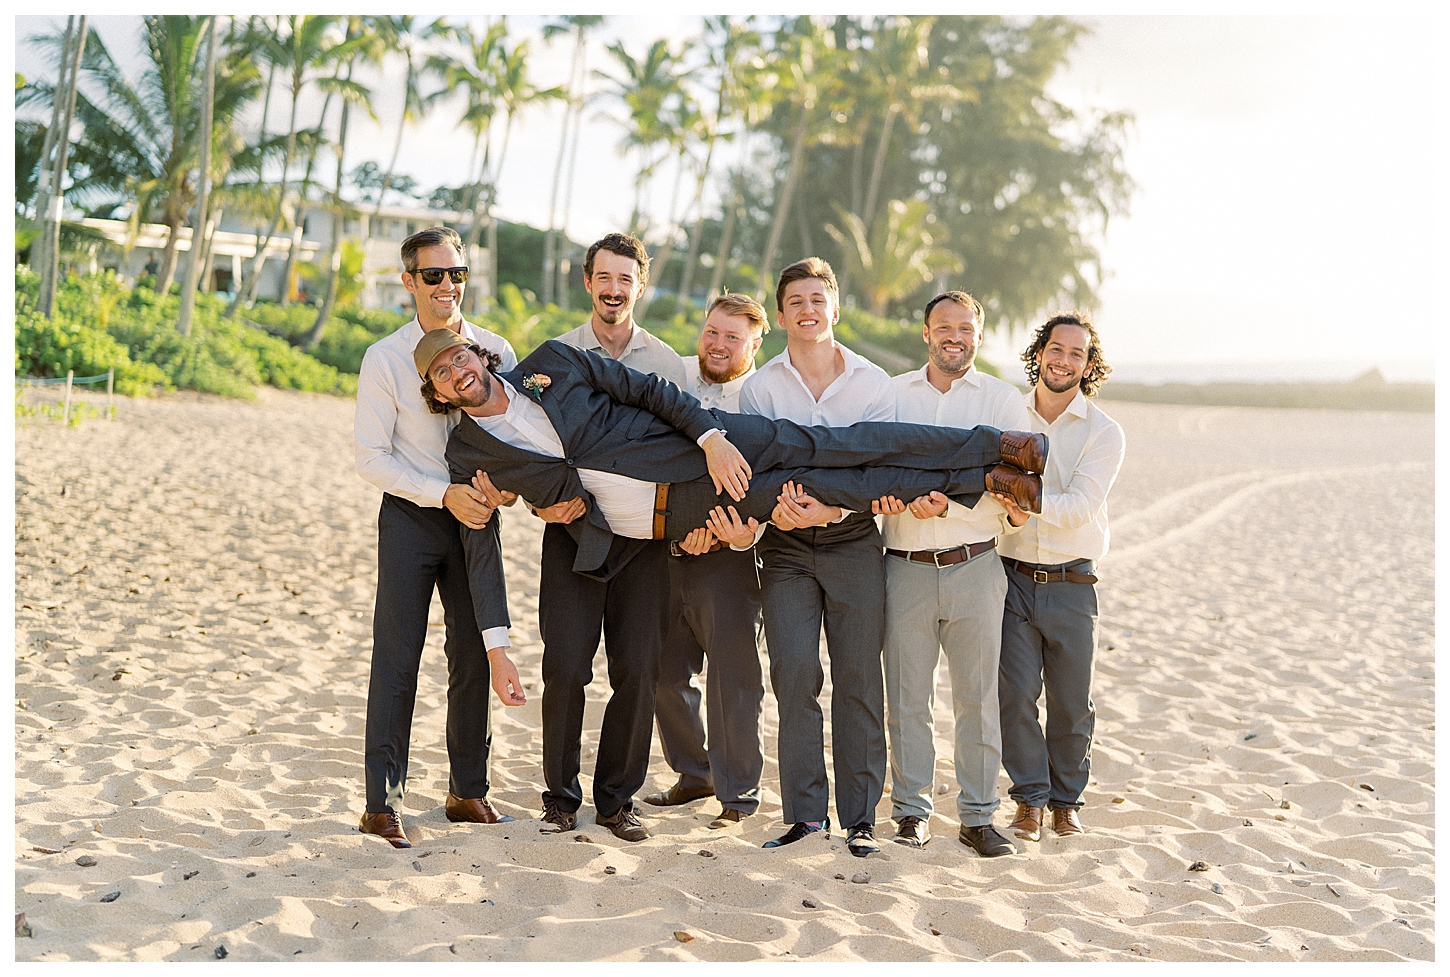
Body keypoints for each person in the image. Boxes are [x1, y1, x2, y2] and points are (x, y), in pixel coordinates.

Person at [418, 332, 1043, 845]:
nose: (456, 373)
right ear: (438, 391)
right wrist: (500, 629)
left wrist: (712, 437)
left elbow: (653, 390)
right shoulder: (469, 450)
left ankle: (1001, 448)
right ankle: (986, 479)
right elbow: (481, 539)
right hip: (679, 515)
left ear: (480, 353)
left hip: (712, 447)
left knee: (837, 447)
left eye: (460, 358)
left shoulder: (551, 364)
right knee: (829, 487)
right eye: (442, 373)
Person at [352, 227, 519, 850]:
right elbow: (370, 458)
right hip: (411, 518)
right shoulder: (385, 359)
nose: (447, 285)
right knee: (398, 655)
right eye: (433, 275)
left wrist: (501, 492)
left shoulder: (496, 348)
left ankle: (467, 791)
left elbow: (520, 433)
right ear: (409, 283)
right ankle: (381, 804)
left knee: (474, 653)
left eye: (457, 274)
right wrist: (438, 493)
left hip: (479, 518)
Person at [519, 233, 682, 842]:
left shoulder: (667, 364)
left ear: (640, 286)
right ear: (587, 282)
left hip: (644, 543)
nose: (614, 290)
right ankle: (559, 796)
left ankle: (617, 800)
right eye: (603, 278)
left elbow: (683, 449)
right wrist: (541, 502)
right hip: (571, 534)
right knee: (564, 667)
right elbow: (524, 443)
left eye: (626, 280)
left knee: (637, 671)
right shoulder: (554, 357)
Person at [875, 291, 1031, 858]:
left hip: (976, 567)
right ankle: (912, 813)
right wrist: (894, 501)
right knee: (908, 698)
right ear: (925, 333)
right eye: (944, 327)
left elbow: (1020, 492)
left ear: (980, 336)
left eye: (965, 328)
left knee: (977, 698)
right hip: (904, 570)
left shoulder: (1001, 401)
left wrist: (953, 509)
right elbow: (870, 469)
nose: (954, 337)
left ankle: (978, 817)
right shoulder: (890, 395)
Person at [992, 311, 1125, 842]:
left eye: (1076, 353)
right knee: (1016, 695)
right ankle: (1029, 799)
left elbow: (1080, 508)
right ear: (1040, 351)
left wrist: (1021, 501)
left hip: (1073, 583)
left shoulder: (1105, 432)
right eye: (1056, 348)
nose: (1063, 359)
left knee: (1072, 702)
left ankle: (1066, 801)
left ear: (1088, 365)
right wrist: (1011, 512)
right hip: (1011, 578)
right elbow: (990, 492)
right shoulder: (1007, 413)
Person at [643, 294, 769, 829]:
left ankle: (738, 796)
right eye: (712, 332)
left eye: (732, 337)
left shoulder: (762, 399)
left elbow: (769, 479)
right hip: (662, 554)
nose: (718, 344)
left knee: (732, 681)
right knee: (662, 675)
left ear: (755, 343)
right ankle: (694, 773)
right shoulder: (674, 379)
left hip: (730, 560)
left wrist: (736, 535)